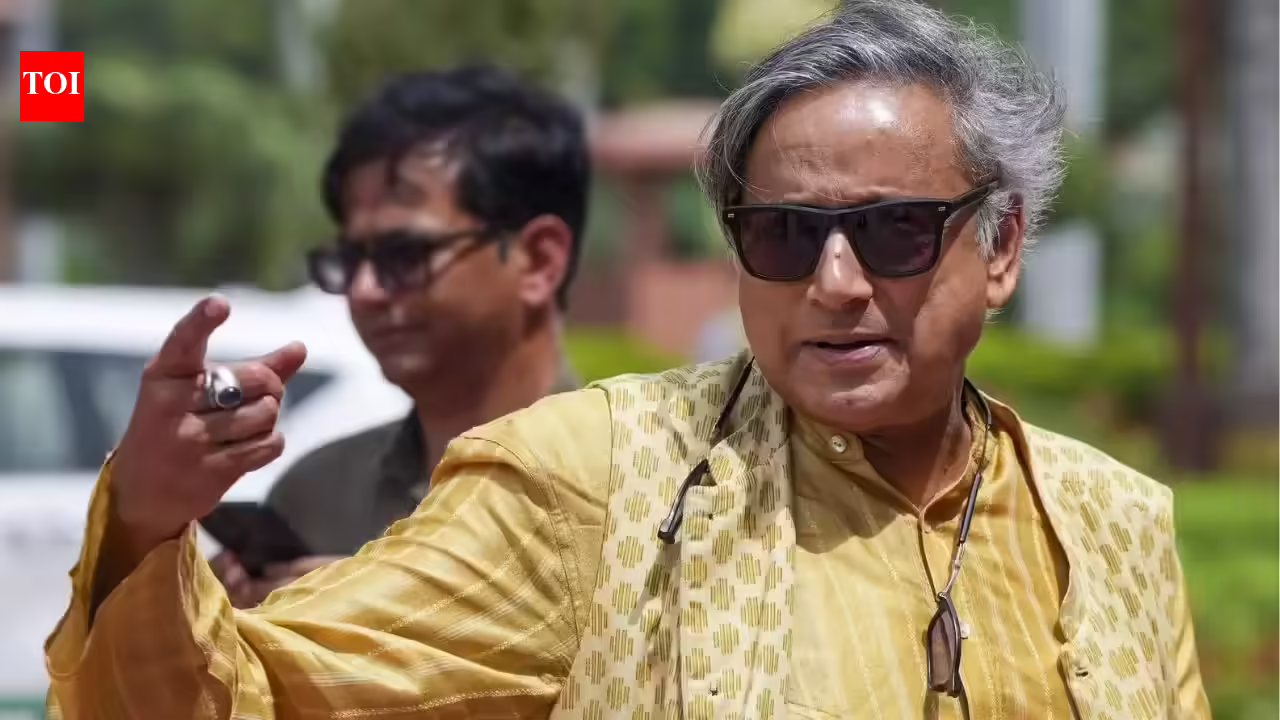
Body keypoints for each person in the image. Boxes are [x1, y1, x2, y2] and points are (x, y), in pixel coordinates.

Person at [45, 2, 1212, 719]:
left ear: (998, 248)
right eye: (783, 235)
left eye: (893, 230)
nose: (835, 281)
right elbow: (249, 696)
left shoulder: (1108, 521)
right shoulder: (593, 479)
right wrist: (146, 521)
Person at [209, 66, 588, 608]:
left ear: (539, 261)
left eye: (405, 255)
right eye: (350, 259)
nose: (365, 290)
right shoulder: (317, 495)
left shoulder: (635, 489)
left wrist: (371, 619)